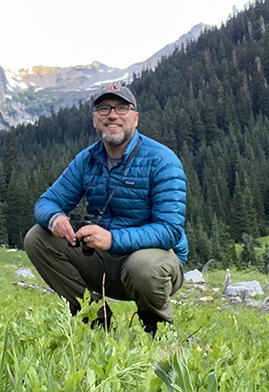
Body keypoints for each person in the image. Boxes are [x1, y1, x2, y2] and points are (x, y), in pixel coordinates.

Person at [24, 83, 187, 334]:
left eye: (122, 108)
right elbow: (46, 202)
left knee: (142, 266)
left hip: (155, 261)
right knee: (37, 238)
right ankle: (96, 320)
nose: (112, 115)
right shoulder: (87, 159)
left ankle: (156, 327)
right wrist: (55, 218)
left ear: (135, 117)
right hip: (102, 258)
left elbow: (170, 230)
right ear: (94, 119)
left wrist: (112, 239)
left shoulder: (162, 160)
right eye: (104, 108)